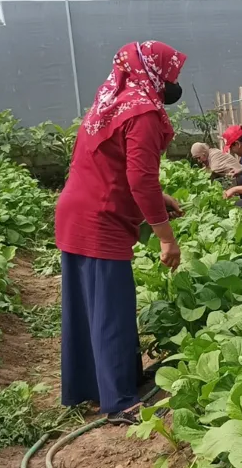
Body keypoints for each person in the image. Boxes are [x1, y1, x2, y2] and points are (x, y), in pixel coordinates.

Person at [55, 40, 186, 425]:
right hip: (100, 218)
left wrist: (159, 198)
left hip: (78, 210)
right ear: (153, 71)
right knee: (111, 310)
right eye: (169, 73)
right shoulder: (143, 112)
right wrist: (166, 236)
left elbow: (111, 164)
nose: (172, 82)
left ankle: (105, 384)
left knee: (89, 308)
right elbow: (140, 178)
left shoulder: (109, 102)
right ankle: (120, 402)